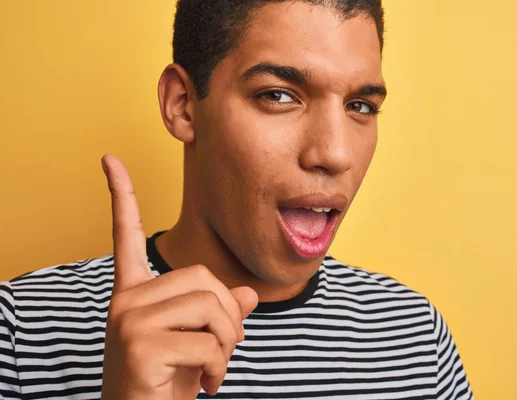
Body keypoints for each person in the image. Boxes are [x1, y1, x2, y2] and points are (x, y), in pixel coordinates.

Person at [0, 1, 474, 399]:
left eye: (360, 106)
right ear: (183, 104)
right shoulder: (20, 331)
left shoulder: (415, 338)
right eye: (279, 95)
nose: (335, 153)